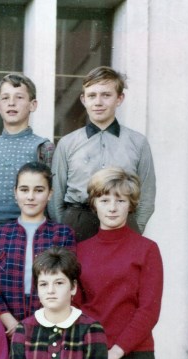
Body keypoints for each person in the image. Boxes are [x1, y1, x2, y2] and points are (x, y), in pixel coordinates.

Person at [76, 168, 162, 359]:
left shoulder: (147, 250)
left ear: (131, 204)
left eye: (120, 200)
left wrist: (118, 349)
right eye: (105, 200)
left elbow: (149, 309)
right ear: (94, 204)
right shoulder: (80, 251)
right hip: (93, 356)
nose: (112, 207)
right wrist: (95, 348)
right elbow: (76, 307)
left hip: (134, 356)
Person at [51, 67, 156, 240]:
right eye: (92, 95)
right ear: (83, 100)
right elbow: (56, 196)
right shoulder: (67, 143)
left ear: (119, 98)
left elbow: (147, 195)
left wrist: (135, 230)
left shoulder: (138, 142)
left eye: (106, 95)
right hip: (78, 223)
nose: (98, 102)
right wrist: (66, 229)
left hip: (122, 222)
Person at [0, 162, 75, 336]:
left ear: (50, 194)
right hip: (6, 326)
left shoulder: (62, 234)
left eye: (39, 190)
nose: (30, 197)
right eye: (24, 190)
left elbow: (66, 282)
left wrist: (42, 322)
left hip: (49, 324)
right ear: (15, 192)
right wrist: (10, 322)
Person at [0, 73, 54, 232]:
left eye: (19, 97)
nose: (11, 103)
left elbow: (51, 198)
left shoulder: (42, 147)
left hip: (30, 226)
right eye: (5, 98)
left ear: (32, 105)